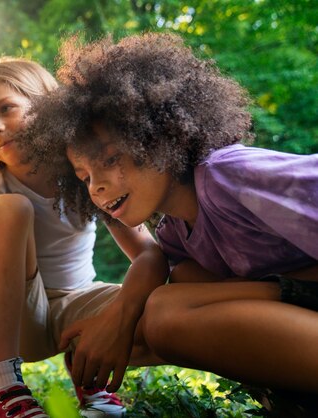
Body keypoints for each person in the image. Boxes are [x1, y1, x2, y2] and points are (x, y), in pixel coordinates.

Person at [19, 32, 318, 397]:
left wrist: (279, 287)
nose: (95, 186)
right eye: (84, 177)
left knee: (164, 309)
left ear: (157, 135)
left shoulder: (227, 173)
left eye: (111, 159)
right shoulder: (176, 237)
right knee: (162, 311)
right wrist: (119, 318)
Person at [0, 57, 168, 418]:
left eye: (6, 109)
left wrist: (119, 316)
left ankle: (88, 374)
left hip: (78, 307)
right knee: (10, 207)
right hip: (21, 322)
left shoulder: (84, 172)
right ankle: (4, 386)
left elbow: (148, 255)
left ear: (47, 107)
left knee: (165, 310)